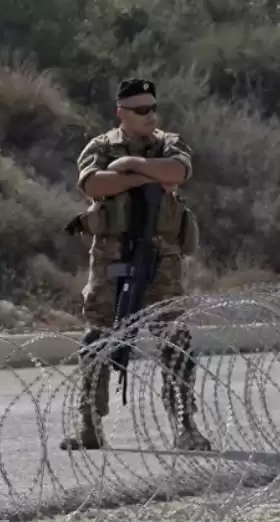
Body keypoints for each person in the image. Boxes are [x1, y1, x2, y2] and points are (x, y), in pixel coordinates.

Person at [60, 78, 211, 452]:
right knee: (97, 338)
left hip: (162, 258)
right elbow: (93, 185)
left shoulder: (169, 143)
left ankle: (184, 424)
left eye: (153, 108)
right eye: (141, 110)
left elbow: (178, 172)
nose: (150, 115)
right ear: (121, 113)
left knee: (175, 339)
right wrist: (146, 178)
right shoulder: (100, 146)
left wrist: (130, 166)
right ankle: (90, 423)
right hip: (111, 255)